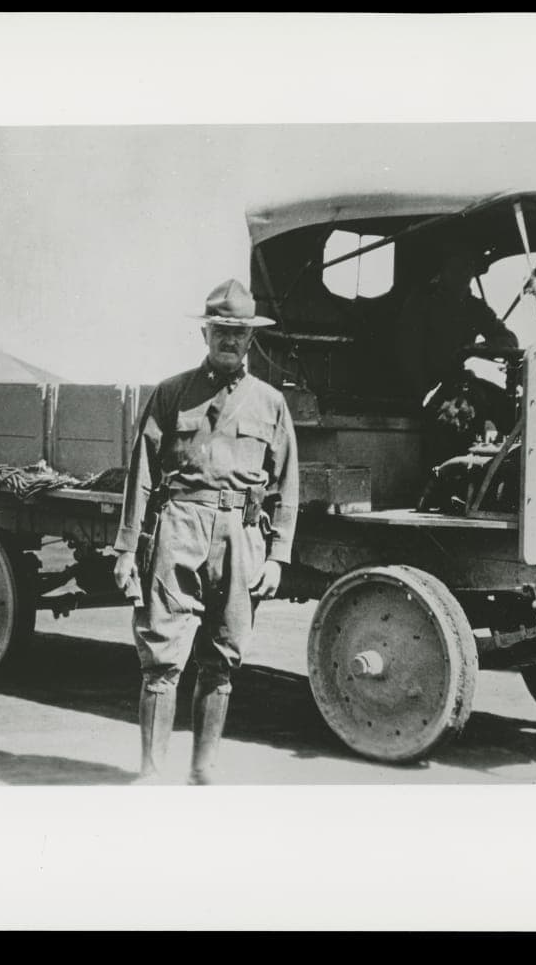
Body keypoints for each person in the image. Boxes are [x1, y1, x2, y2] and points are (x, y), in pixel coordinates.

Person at [112, 279, 299, 785]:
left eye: (239, 332)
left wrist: (277, 556)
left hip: (241, 534)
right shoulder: (173, 393)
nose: (230, 340)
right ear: (206, 334)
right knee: (162, 657)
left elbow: (287, 485)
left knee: (222, 657)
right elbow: (142, 473)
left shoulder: (270, 404)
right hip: (180, 526)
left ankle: (203, 771)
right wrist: (128, 548)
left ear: (250, 339)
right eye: (221, 330)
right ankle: (152, 774)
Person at [396, 244, 520, 404]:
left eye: (469, 267)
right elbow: (407, 353)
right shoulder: (421, 302)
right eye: (457, 267)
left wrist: (478, 349)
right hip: (425, 387)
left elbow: (508, 339)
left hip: (457, 382)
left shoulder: (475, 308)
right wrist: (420, 396)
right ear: (444, 270)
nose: (464, 274)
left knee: (506, 405)